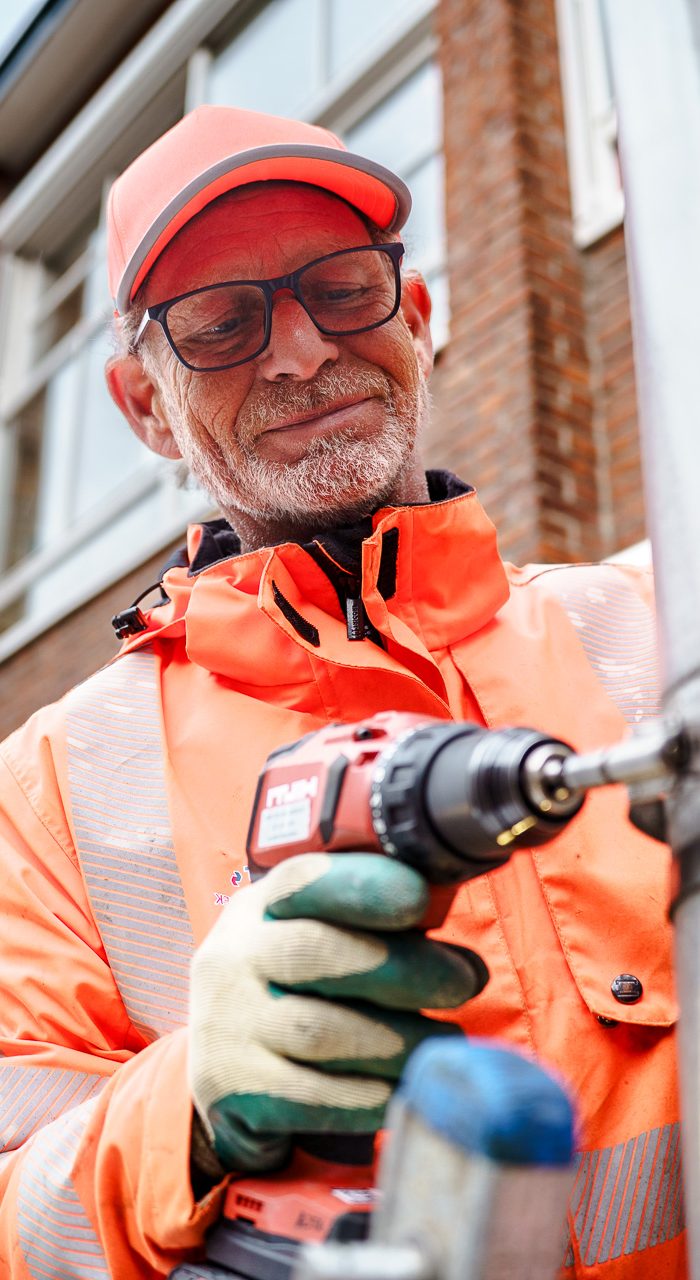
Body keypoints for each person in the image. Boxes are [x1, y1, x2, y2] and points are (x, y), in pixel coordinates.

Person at [0, 105, 682, 1279]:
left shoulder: (658, 619)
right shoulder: (52, 787)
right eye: (220, 325)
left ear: (416, 318)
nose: (302, 351)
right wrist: (192, 1102)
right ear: (144, 407)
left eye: (344, 290)